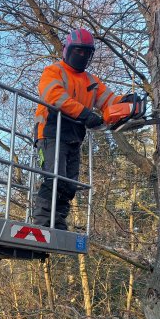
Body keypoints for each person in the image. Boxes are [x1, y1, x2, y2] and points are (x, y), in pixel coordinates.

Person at [33, 28, 137, 230]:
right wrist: (86, 115)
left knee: (69, 183)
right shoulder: (53, 71)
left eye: (86, 53)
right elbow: (55, 97)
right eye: (78, 51)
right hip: (51, 133)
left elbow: (109, 101)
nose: (81, 56)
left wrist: (125, 103)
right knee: (54, 177)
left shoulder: (92, 81)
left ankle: (58, 221)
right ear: (67, 49)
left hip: (74, 136)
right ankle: (43, 222)